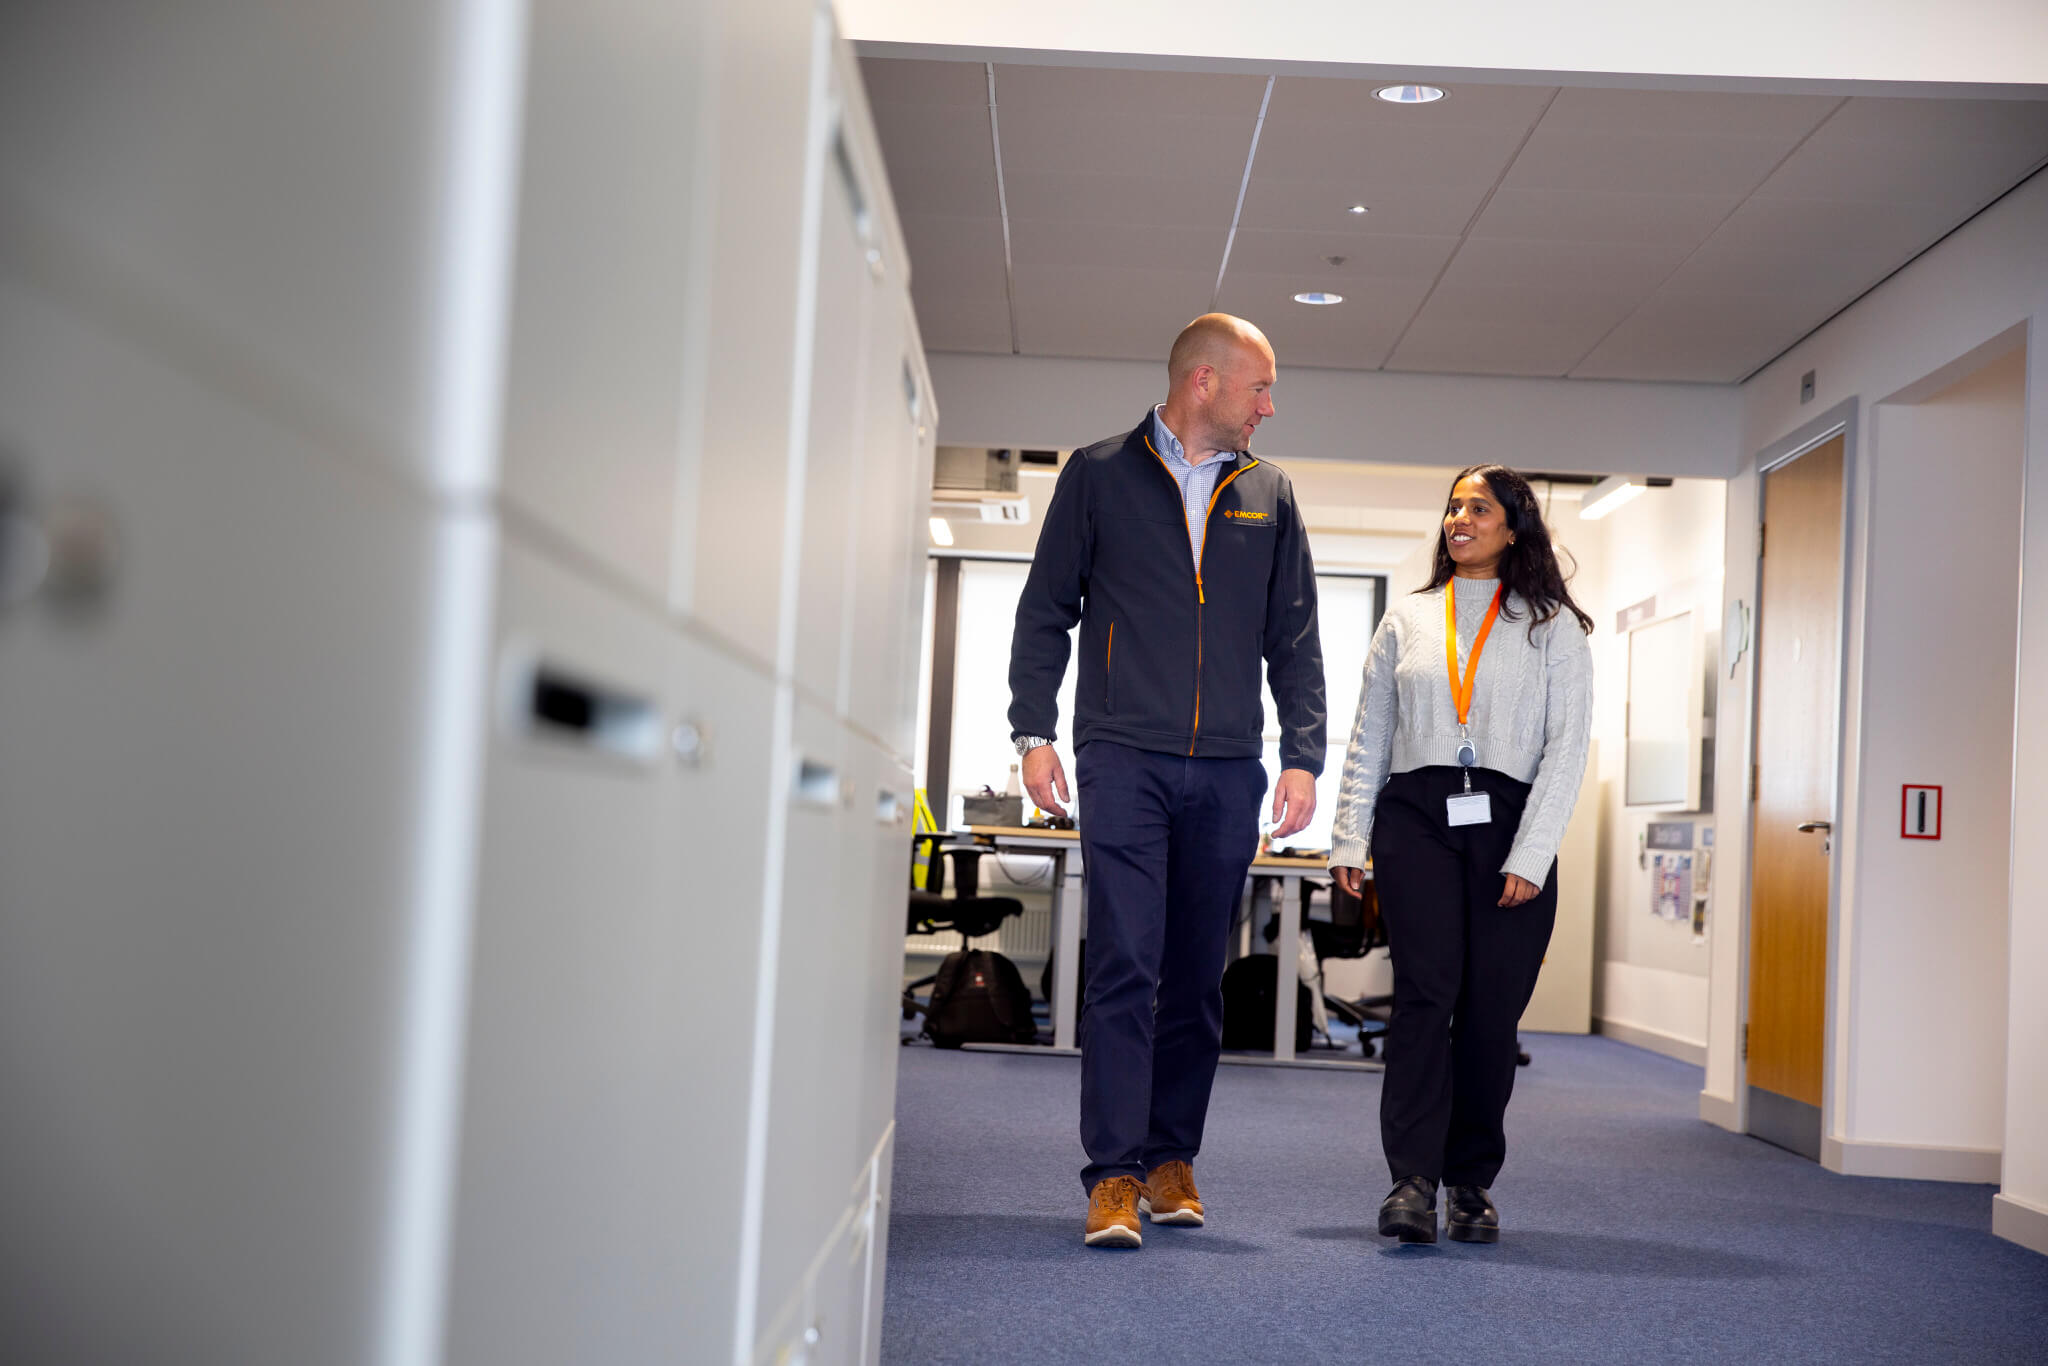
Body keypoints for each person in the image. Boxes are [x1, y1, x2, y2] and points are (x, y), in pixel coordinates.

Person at [1008, 314, 1327, 1249]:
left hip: (1229, 767)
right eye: (1258, 389)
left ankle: (1168, 1157)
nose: (1269, 407)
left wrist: (1302, 752)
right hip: (1124, 755)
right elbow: (1044, 613)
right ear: (1203, 381)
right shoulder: (1098, 474)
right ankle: (1110, 1173)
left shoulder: (1270, 493)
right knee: (1123, 965)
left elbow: (1295, 637)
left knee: (1194, 980)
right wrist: (1033, 732)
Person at [1328, 463, 1593, 1246]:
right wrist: (1350, 833)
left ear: (1515, 528)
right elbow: (1369, 736)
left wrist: (1532, 853)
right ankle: (1411, 1180)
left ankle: (1470, 1179)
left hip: (1511, 821)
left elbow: (1566, 748)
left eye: (1478, 508)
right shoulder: (1407, 621)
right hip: (1416, 815)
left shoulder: (1551, 626)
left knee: (1489, 1013)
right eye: (1452, 507)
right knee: (1424, 996)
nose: (1459, 519)